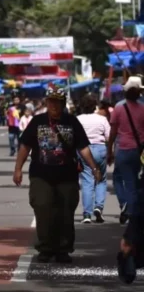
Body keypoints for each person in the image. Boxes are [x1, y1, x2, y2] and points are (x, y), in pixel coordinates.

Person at [13, 84, 100, 264]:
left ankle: (63, 249)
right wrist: (18, 169)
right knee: (43, 208)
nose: (54, 106)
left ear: (63, 104)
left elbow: (83, 147)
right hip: (41, 175)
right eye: (51, 102)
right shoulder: (37, 122)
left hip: (67, 175)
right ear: (47, 102)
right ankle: (46, 248)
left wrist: (94, 167)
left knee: (66, 212)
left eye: (58, 103)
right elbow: (25, 146)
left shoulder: (72, 122)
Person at [108, 76, 144, 225]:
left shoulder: (118, 108)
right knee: (134, 181)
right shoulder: (143, 109)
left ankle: (128, 208)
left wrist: (109, 149)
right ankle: (130, 207)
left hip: (122, 149)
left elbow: (113, 131)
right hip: (138, 151)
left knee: (122, 179)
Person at [76, 94, 110, 223]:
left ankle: (87, 214)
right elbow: (108, 136)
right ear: (95, 106)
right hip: (100, 149)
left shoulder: (78, 119)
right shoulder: (102, 119)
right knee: (101, 179)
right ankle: (99, 207)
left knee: (87, 181)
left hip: (84, 150)